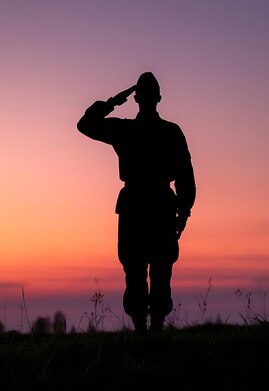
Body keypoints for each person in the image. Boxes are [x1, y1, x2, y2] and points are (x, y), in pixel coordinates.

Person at [77, 72, 196, 331]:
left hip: (141, 206)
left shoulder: (127, 130)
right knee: (153, 269)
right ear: (158, 98)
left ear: (137, 98)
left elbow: (86, 124)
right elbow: (186, 177)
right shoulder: (168, 132)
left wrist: (113, 102)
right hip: (156, 206)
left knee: (141, 269)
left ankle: (146, 329)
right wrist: (184, 210)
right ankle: (151, 329)